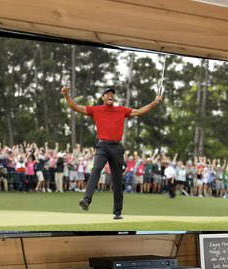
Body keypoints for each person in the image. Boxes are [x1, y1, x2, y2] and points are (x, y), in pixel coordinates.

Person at [61, 85, 162, 219]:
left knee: (117, 180)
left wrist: (155, 102)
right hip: (102, 146)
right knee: (96, 168)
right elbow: (76, 107)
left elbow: (138, 111)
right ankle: (86, 200)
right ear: (103, 97)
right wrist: (66, 95)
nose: (110, 95)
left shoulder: (121, 110)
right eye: (107, 93)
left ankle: (117, 212)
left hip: (117, 148)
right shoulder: (96, 110)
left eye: (112, 94)